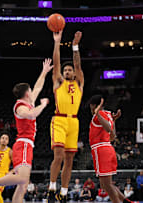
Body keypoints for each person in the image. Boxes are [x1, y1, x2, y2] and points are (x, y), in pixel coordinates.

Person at [0, 59, 53, 202]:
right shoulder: (20, 107)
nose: (32, 92)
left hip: (28, 145)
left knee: (23, 184)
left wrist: (44, 72)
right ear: (27, 93)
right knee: (22, 179)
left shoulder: (28, 102)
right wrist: (43, 105)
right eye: (30, 90)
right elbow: (32, 114)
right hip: (23, 144)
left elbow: (38, 87)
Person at [48, 30, 85, 203]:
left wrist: (75, 46)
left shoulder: (79, 82)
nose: (68, 71)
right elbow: (56, 64)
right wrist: (57, 43)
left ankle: (63, 193)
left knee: (69, 160)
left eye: (70, 70)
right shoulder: (59, 82)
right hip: (60, 119)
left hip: (74, 121)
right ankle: (51, 188)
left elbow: (78, 65)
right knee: (59, 156)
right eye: (66, 70)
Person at [88, 95, 131, 203]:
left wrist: (97, 113)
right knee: (107, 184)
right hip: (108, 148)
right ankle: (127, 202)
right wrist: (114, 120)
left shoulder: (99, 115)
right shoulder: (108, 114)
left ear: (93, 106)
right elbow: (112, 137)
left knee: (106, 185)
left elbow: (107, 128)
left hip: (101, 150)